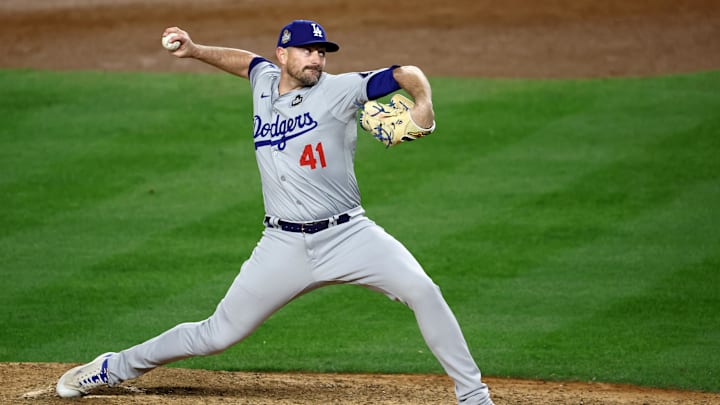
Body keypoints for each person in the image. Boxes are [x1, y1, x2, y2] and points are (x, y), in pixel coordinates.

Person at [56, 19, 494, 405]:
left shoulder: (340, 90)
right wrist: (194, 50)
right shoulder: (264, 79)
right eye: (308, 51)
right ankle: (112, 367)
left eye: (322, 52)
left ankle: (474, 397)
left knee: (423, 291)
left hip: (350, 236)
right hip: (282, 244)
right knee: (216, 334)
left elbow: (405, 73)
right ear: (282, 54)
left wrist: (423, 104)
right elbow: (246, 62)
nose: (317, 60)